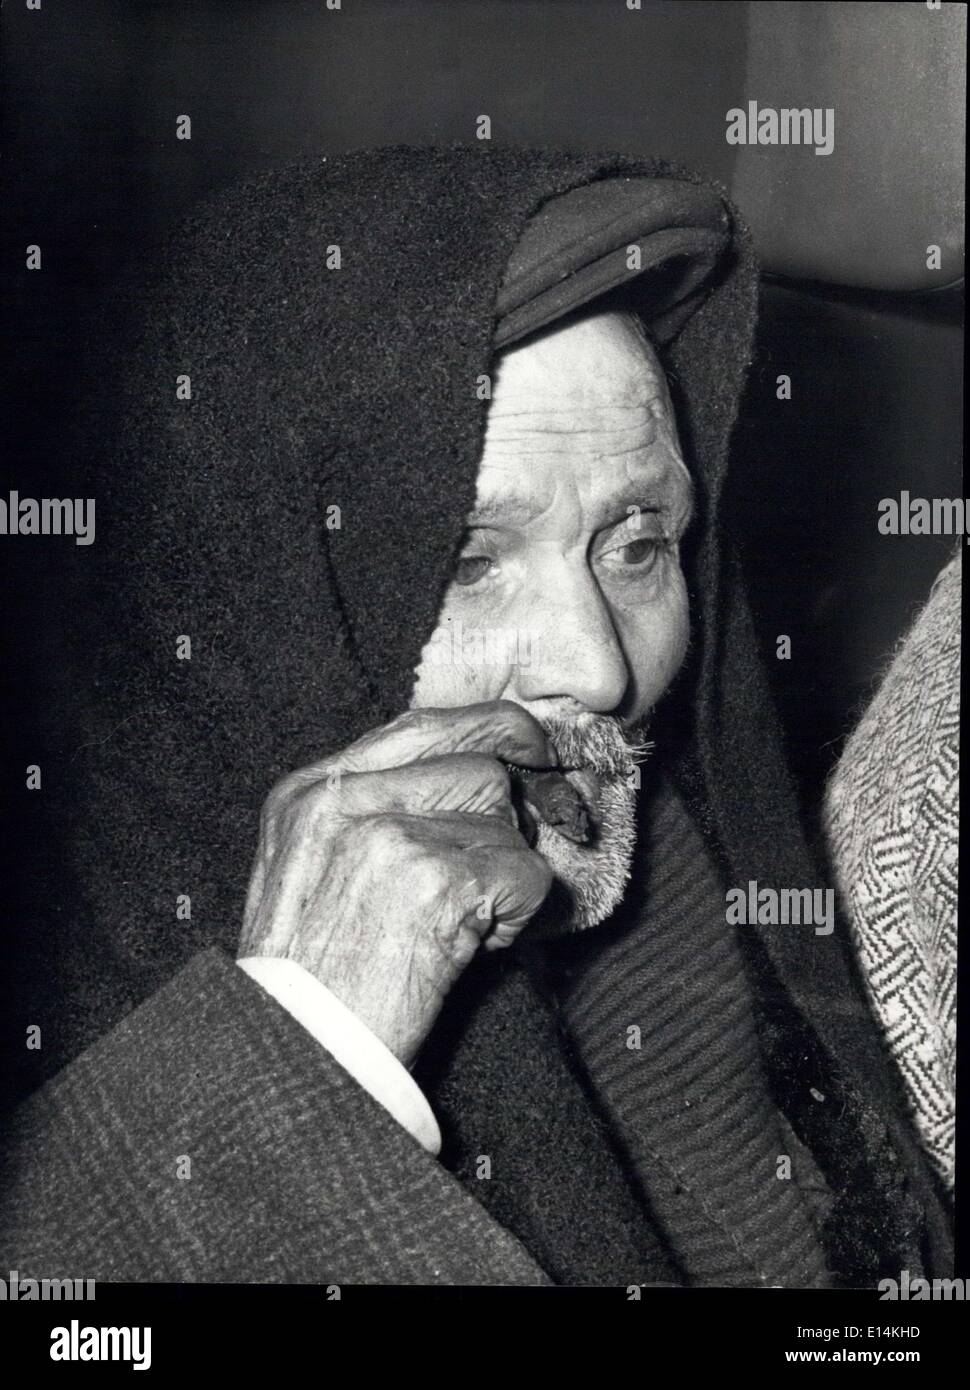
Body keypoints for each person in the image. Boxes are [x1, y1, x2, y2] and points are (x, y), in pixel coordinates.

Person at [0, 148, 951, 1286]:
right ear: (252, 599)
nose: (596, 668)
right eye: (465, 561)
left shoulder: (740, 942)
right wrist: (305, 1058)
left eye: (638, 544)